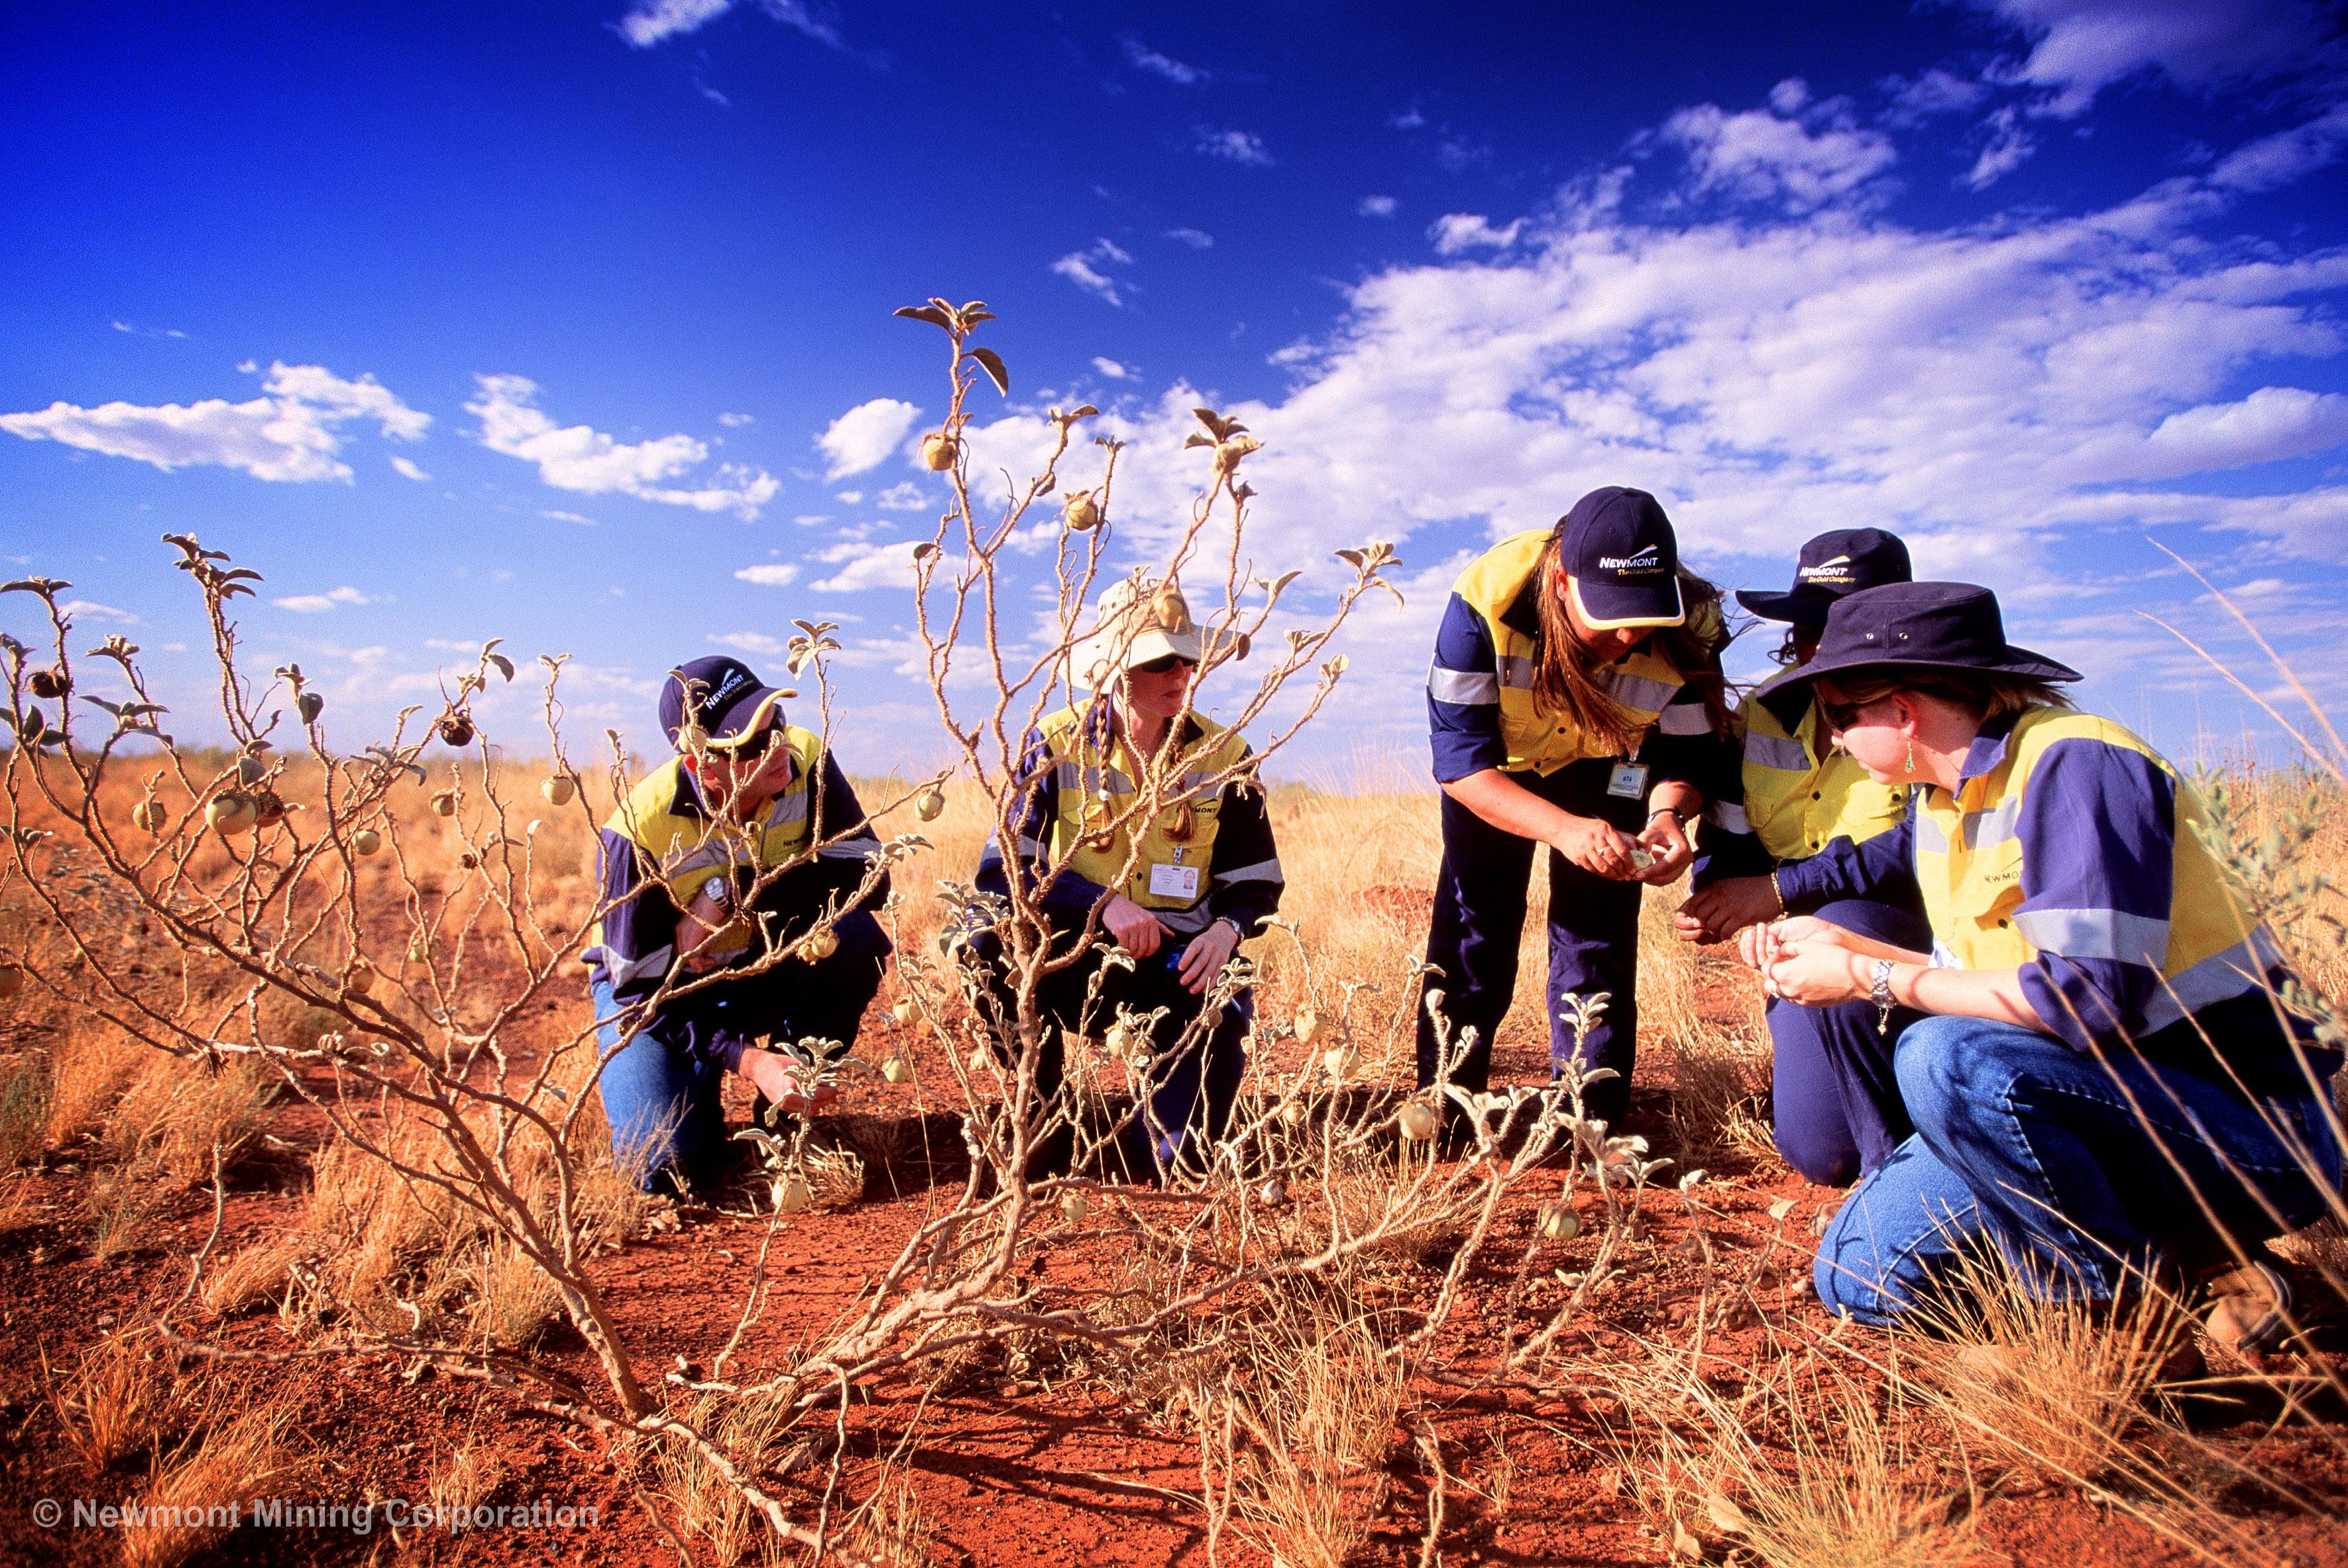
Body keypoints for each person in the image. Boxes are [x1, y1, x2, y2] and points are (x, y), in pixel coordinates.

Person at [1743, 582, 2343, 1348]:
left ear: (1902, 710)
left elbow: (2086, 999)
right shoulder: (1942, 798)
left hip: (2248, 1123)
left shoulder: (2077, 764)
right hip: (2092, 1097)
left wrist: (1869, 981)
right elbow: (1991, 977)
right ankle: (2199, 1265)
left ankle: (2109, 1324)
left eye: (1839, 715)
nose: (1832, 741)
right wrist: (1852, 949)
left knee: (1943, 1061)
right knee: (1862, 1273)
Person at [1420, 486, 1734, 1128]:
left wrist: (1668, 813)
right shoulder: (1487, 597)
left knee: (1596, 935)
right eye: (1612, 613)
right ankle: (1445, 1104)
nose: (1627, 634)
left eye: (1644, 617)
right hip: (1500, 773)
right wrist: (1563, 829)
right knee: (1475, 926)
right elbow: (1460, 764)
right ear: (1562, 581)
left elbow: (1691, 752)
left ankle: (1590, 1115)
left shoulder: (1692, 622)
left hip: (1611, 769)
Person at [970, 577, 1282, 1179]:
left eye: (1186, 658)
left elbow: (1256, 881)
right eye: (1159, 661)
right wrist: (1099, 905)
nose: (1180, 674)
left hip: (1180, 957)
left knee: (1184, 1164)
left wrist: (1224, 933)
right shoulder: (1053, 742)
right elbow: (1003, 868)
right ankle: (1043, 1124)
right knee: (981, 945)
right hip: (1075, 948)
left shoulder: (1225, 754)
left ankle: (1169, 1152)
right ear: (1115, 668)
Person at [585, 656, 891, 1195]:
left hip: (760, 964)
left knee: (855, 938)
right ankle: (703, 1077)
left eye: (773, 724)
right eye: (750, 745)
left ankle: (785, 1119)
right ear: (705, 767)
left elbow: (870, 879)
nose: (776, 748)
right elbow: (640, 991)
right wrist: (747, 1059)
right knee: (665, 1171)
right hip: (662, 995)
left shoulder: (806, 758)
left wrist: (724, 895)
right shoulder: (636, 834)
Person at [1675, 528, 1925, 1186]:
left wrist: (1782, 890)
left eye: (1849, 627)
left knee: (1842, 1146)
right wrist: (1723, 899)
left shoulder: (1923, 710)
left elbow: (1918, 848)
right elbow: (1729, 834)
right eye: (1813, 626)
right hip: (1787, 927)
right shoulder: (1762, 712)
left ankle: (1906, 1155)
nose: (1824, 647)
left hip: (1901, 920)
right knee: (1820, 1152)